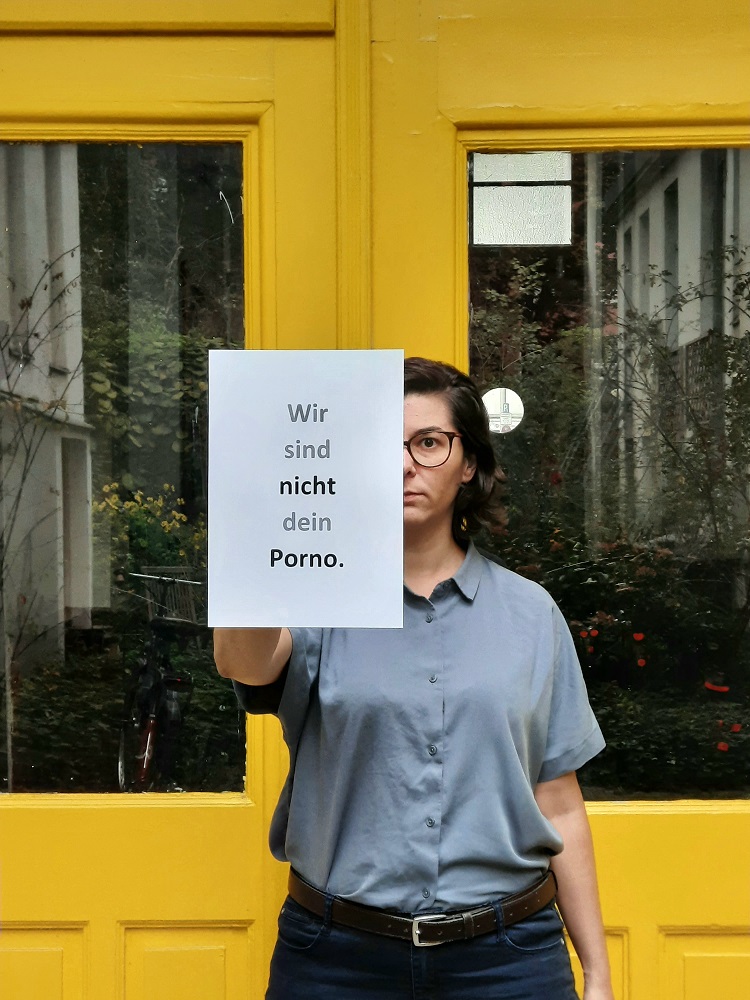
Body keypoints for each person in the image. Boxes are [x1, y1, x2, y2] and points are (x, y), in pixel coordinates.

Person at [214, 357, 614, 1000]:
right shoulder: (314, 602)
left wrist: (596, 969)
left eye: (429, 443)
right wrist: (253, 531)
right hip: (337, 960)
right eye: (383, 446)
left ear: (470, 464)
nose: (404, 464)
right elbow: (243, 662)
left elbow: (559, 800)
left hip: (507, 960)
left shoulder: (531, 613)